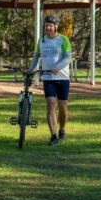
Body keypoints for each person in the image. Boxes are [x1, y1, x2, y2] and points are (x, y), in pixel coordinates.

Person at [29, 15, 72, 145]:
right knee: (50, 105)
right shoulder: (41, 40)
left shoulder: (63, 40)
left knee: (62, 106)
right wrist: (31, 70)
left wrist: (57, 67)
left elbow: (67, 58)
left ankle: (62, 130)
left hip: (62, 77)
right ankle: (53, 135)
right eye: (46, 25)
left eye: (50, 25)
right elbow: (36, 57)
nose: (48, 28)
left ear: (56, 27)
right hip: (47, 77)